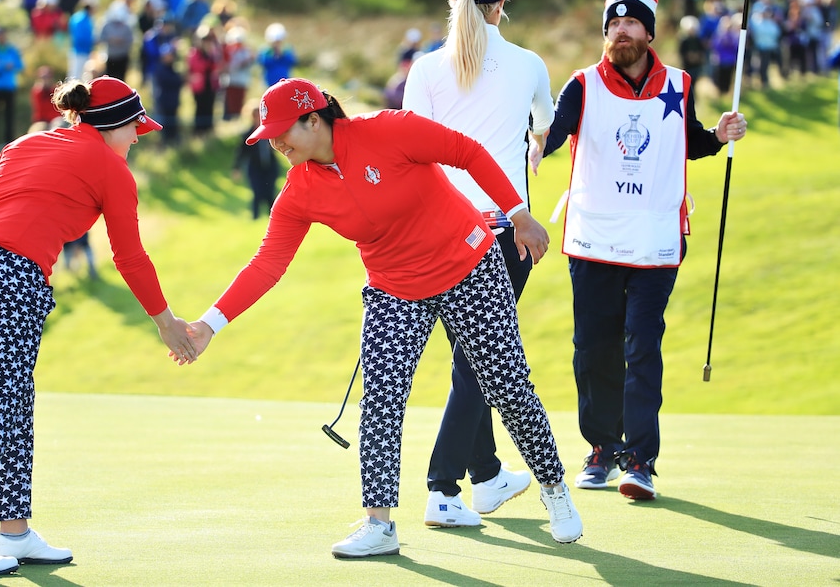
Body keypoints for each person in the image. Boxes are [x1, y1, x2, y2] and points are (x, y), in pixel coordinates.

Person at [186, 77, 583, 559]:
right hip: (395, 289)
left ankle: (555, 489)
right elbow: (267, 263)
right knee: (381, 400)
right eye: (268, 135)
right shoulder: (300, 190)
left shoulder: (388, 130)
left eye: (281, 131)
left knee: (507, 386)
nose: (275, 142)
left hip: (468, 266)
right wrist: (209, 324)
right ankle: (379, 525)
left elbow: (469, 152)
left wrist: (518, 214)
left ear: (314, 119)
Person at [0, 75, 200, 576]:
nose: (137, 139)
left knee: (12, 395)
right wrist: (165, 323)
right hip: (9, 276)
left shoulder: (28, 141)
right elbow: (129, 256)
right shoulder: (111, 168)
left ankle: (14, 531)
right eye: (134, 130)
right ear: (111, 124)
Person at [531, 0, 748, 501]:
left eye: (631, 22)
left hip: (655, 238)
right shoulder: (583, 83)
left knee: (642, 345)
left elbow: (688, 141)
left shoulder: (678, 83)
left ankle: (640, 460)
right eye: (614, 22)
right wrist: (537, 147)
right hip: (594, 240)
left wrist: (718, 137)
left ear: (649, 32)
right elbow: (556, 131)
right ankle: (603, 448)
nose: (621, 31)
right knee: (593, 348)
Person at [402, 0, 556, 528]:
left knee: (473, 357)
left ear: (453, 3)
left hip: (439, 233)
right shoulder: (529, 63)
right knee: (477, 362)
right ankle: (443, 489)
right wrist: (534, 143)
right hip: (505, 228)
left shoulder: (423, 68)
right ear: (500, 6)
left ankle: (487, 477)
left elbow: (413, 151)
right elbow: (545, 120)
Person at [231, 106, 280, 219]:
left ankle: (274, 218)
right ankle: (255, 217)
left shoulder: (270, 132)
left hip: (270, 167)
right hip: (255, 168)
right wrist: (236, 168)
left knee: (269, 193)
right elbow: (241, 151)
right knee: (257, 193)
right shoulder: (248, 133)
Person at [257, 22, 296, 87]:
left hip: (284, 80)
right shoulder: (266, 50)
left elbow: (292, 61)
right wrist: (274, 55)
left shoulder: (287, 49)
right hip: (269, 80)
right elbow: (263, 63)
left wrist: (281, 54)